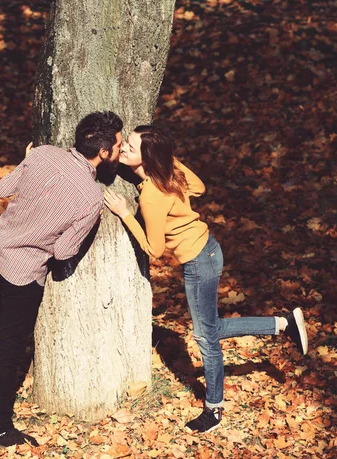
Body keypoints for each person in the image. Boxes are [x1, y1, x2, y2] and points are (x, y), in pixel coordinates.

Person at [0, 111, 123, 448]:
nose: (120, 151)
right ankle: (1, 429)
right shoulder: (91, 197)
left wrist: (27, 163)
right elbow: (64, 252)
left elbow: (1, 189)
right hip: (23, 274)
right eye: (118, 145)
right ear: (103, 152)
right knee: (9, 350)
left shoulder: (43, 154)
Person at [104, 125, 308, 433]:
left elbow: (154, 250)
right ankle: (282, 324)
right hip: (210, 250)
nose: (125, 150)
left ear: (147, 158)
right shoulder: (168, 175)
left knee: (206, 338)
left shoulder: (151, 196)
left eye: (131, 147)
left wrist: (124, 213)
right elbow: (199, 188)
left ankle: (213, 410)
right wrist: (167, 160)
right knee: (211, 329)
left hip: (199, 263)